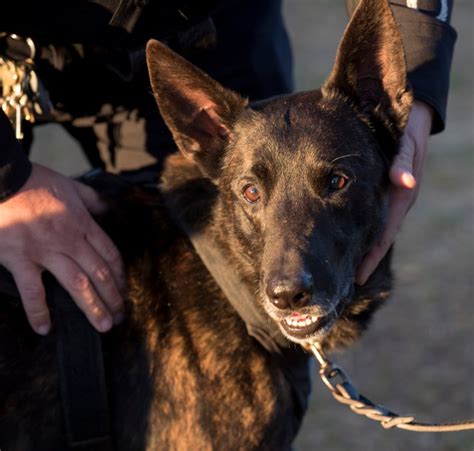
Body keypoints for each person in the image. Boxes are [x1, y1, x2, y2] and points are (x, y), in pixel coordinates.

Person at [0, 0, 457, 335]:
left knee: (235, 336)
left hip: (213, 28)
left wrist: (410, 94)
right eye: (252, 193)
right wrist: (10, 183)